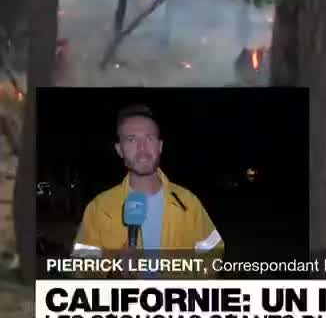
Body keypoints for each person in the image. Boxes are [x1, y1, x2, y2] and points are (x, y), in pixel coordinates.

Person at [73, 104, 224, 256]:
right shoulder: (99, 208)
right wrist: (114, 266)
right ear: (119, 150)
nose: (142, 148)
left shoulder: (188, 202)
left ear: (160, 146)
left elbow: (213, 254)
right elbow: (82, 264)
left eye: (149, 138)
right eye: (131, 139)